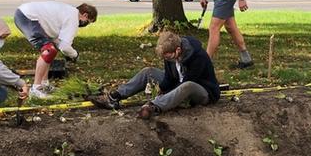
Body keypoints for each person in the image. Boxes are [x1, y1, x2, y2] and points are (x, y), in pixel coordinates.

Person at [89, 31, 220, 118]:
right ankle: (115, 97)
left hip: (202, 92)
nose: (167, 60)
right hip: (178, 85)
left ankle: (154, 106)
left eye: (168, 57)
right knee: (149, 72)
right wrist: (161, 88)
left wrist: (162, 96)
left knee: (187, 85)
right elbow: (169, 77)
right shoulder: (169, 56)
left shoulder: (198, 57)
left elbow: (186, 82)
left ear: (178, 50)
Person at [13, 1, 97, 98]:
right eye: (88, 22)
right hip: (27, 16)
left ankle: (44, 84)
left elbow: (59, 42)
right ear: (85, 15)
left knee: (52, 49)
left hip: (26, 14)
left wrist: (69, 52)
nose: (84, 24)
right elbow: (64, 47)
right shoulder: (73, 17)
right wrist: (75, 55)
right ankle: (36, 89)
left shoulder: (68, 12)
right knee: (49, 50)